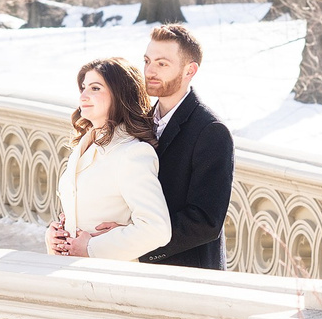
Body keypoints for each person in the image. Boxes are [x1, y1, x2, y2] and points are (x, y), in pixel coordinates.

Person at [47, 57, 171, 260]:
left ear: (119, 94)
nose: (84, 96)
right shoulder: (82, 147)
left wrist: (91, 248)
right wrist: (54, 236)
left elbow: (156, 229)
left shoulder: (132, 153)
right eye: (83, 88)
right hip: (69, 272)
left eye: (95, 88)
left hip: (106, 279)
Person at [136, 22, 235, 271]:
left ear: (190, 70)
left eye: (162, 64)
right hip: (135, 272)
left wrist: (136, 246)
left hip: (188, 275)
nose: (150, 71)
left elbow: (204, 222)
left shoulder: (212, 131)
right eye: (147, 61)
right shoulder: (138, 123)